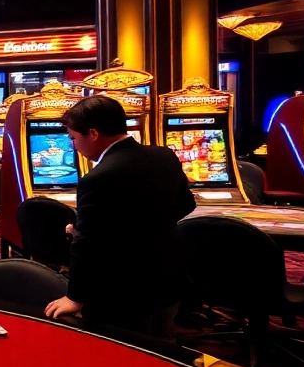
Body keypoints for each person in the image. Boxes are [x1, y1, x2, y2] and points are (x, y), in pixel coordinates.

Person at [44, 95, 196, 337]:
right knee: (160, 350)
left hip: (122, 292)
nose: (73, 145)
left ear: (93, 133)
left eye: (73, 138)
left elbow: (88, 245)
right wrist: (144, 227)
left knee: (125, 359)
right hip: (168, 279)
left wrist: (75, 298)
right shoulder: (164, 156)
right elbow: (187, 204)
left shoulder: (97, 178)